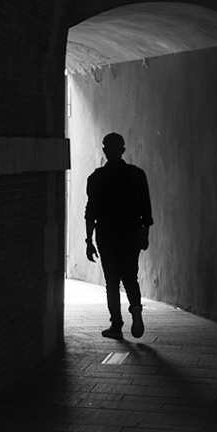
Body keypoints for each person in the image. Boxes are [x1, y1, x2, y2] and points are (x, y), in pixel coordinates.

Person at [84, 131, 154, 337]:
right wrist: (145, 233)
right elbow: (146, 209)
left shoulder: (96, 178)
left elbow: (91, 212)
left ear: (104, 151)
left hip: (107, 236)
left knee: (112, 283)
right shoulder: (137, 175)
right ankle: (136, 311)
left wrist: (89, 241)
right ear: (123, 150)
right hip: (131, 234)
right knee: (131, 277)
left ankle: (116, 325)